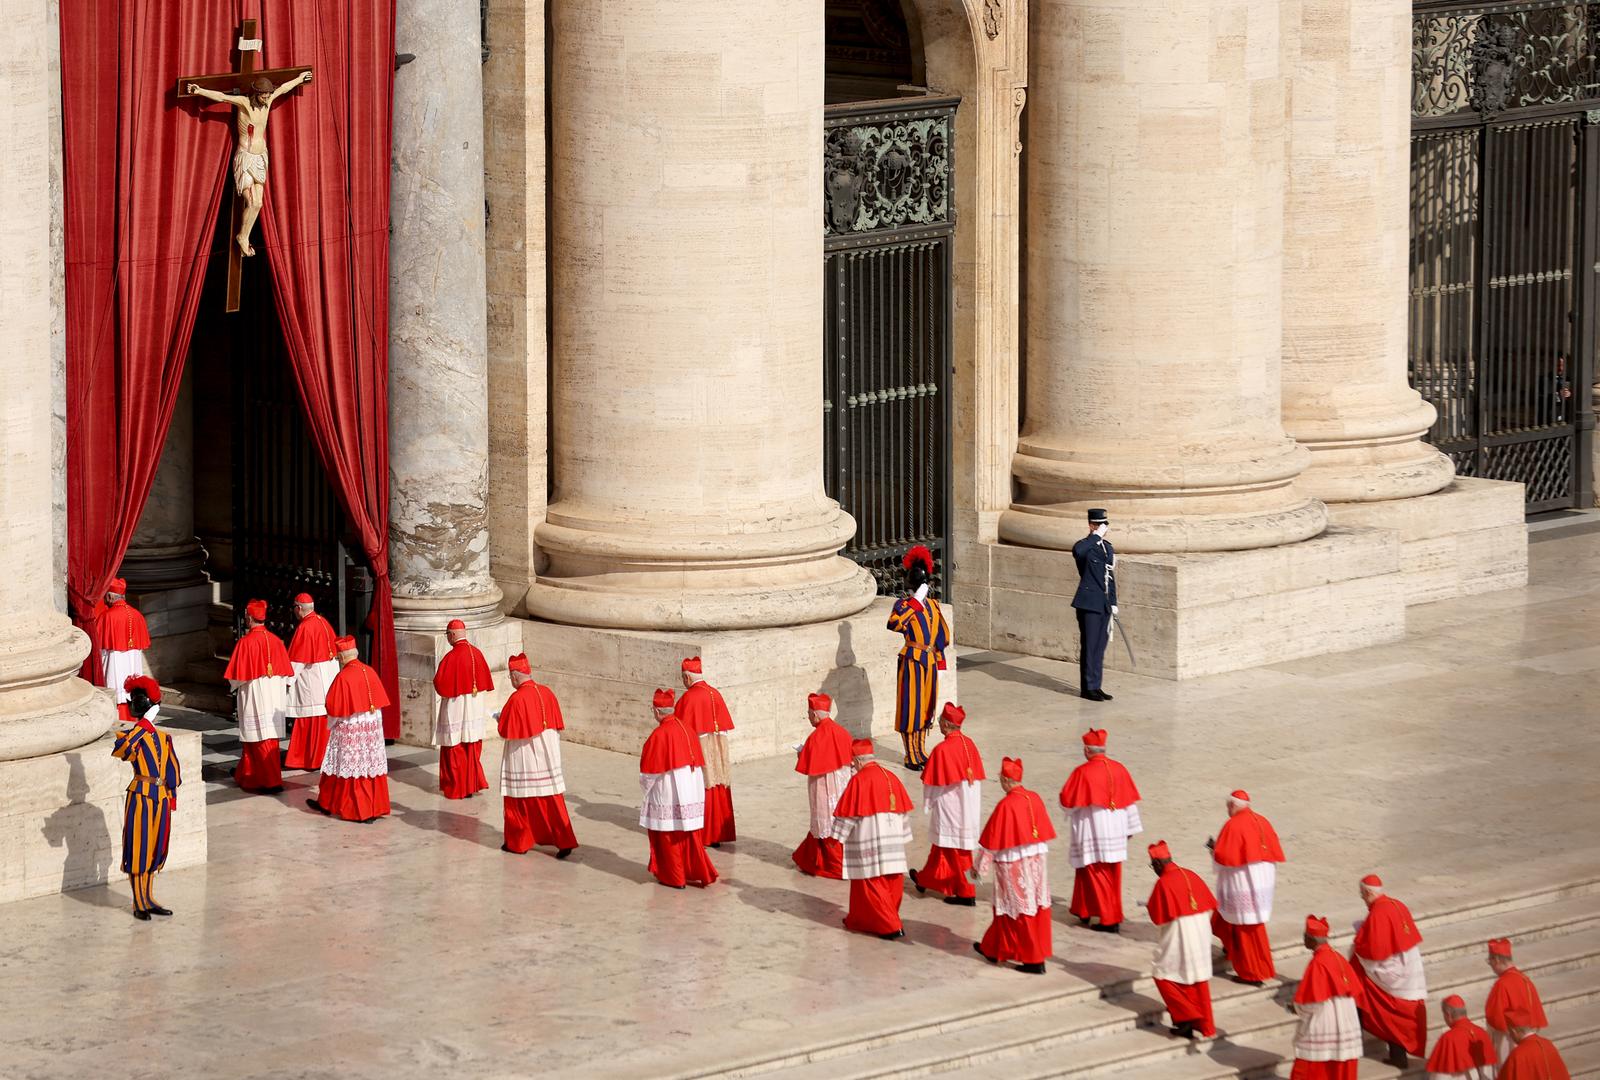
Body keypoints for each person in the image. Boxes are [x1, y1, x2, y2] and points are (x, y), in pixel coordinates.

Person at [185, 69, 312, 256]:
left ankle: (244, 236)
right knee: (251, 200)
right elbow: (221, 97)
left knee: (258, 203)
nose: (267, 97)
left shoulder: (268, 102)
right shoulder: (244, 103)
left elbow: (284, 88)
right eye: (264, 94)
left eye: (268, 93)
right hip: (246, 158)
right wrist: (199, 91)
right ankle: (242, 238)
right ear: (256, 93)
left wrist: (300, 78)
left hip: (261, 157)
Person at [971, 757, 1054, 974]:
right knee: (1018, 909)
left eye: (1001, 779)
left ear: (1007, 781)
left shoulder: (1006, 805)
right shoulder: (1034, 798)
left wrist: (978, 869)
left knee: (1019, 911)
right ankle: (994, 948)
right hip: (1036, 863)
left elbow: (991, 842)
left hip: (1013, 865)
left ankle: (1034, 960)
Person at [1058, 727, 1142, 933]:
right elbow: (1130, 801)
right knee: (1108, 876)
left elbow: (1068, 801)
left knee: (1096, 874)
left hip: (1094, 830)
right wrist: (1130, 827)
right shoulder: (1120, 769)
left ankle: (1109, 919)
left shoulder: (1082, 772)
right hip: (1117, 829)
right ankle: (1083, 910)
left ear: (1087, 750)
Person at [112, 676, 180, 921]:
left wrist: (171, 797)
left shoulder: (164, 738)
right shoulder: (132, 736)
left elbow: (172, 771)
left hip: (160, 798)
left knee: (155, 848)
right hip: (141, 795)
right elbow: (123, 752)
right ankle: (138, 901)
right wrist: (142, 726)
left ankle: (149, 897)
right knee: (139, 847)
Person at [831, 738, 914, 940]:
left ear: (858, 761)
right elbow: (903, 810)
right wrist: (904, 835)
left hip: (870, 840)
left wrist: (836, 837)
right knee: (892, 882)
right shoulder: (892, 777)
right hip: (893, 840)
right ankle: (861, 920)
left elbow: (847, 814)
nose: (852, 766)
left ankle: (891, 926)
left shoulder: (859, 780)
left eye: (853, 763)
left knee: (872, 884)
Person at [496, 653, 576, 858]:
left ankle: (518, 842)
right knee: (551, 799)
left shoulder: (517, 698)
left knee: (518, 799)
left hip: (525, 756)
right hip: (548, 755)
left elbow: (505, 729)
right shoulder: (547, 692)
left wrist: (499, 718)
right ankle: (564, 841)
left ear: (514, 676)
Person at [639, 688, 718, 889]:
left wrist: (645, 789)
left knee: (667, 833)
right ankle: (698, 872)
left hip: (669, 790)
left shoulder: (659, 734)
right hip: (691, 789)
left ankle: (674, 877)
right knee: (688, 834)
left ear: (657, 712)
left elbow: (649, 771)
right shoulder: (687, 729)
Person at [307, 636, 391, 823]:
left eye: (338, 659)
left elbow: (333, 706)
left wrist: (332, 723)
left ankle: (357, 810)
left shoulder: (344, 676)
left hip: (351, 729)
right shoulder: (369, 671)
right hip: (371, 729)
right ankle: (373, 808)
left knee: (349, 765)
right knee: (368, 765)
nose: (338, 662)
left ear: (343, 657)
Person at [1207, 788, 1285, 985]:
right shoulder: (1262, 821)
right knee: (1224, 919)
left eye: (1227, 806)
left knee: (1246, 930)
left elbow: (1224, 858)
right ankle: (1230, 948)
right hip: (1262, 884)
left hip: (1242, 884)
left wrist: (1213, 850)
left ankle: (1252, 973)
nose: (1227, 809)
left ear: (1233, 805)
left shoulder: (1233, 825)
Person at [908, 702, 984, 906]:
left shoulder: (943, 749)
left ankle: (967, 892)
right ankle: (925, 880)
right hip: (968, 808)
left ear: (947, 724)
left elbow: (933, 783)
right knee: (941, 849)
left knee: (958, 854)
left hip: (951, 809)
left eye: (940, 721)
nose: (939, 724)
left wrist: (928, 802)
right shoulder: (970, 744)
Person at [1351, 873, 1428, 1068]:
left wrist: (1358, 941)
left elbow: (1374, 951)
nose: (1361, 897)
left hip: (1390, 974)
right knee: (1394, 1016)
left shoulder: (1378, 913)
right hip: (1407, 967)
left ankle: (1350, 1037)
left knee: (1360, 990)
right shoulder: (1396, 904)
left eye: (1362, 893)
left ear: (1368, 892)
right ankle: (1398, 1055)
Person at [886, 544, 950, 770]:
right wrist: (915, 602)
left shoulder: (932, 606)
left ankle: (921, 750)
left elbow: (941, 636)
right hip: (912, 661)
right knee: (910, 708)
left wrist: (941, 664)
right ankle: (910, 754)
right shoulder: (904, 605)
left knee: (926, 708)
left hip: (930, 661)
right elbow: (894, 623)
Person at [1146, 841, 1219, 1040]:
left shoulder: (1164, 882)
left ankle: (1187, 1016)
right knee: (1195, 977)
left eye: (1153, 866)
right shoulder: (1191, 874)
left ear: (1158, 864)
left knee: (1162, 972)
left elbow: (1156, 917)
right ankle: (1194, 1024)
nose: (1154, 870)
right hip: (1200, 932)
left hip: (1180, 935)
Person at [224, 599, 292, 795]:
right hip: (274, 697)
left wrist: (233, 685)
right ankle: (246, 774)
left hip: (255, 697)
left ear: (249, 618)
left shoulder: (245, 643)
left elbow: (237, 678)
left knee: (258, 741)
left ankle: (268, 781)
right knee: (268, 739)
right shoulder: (277, 641)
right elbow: (287, 675)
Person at [1288, 915, 1366, 1080]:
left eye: (1305, 936)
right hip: (1345, 1019)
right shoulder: (1337, 957)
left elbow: (1312, 1001)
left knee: (1310, 1067)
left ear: (1311, 940)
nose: (1303, 939)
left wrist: (1295, 1008)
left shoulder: (1318, 963)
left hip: (1325, 1020)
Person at [674, 656, 736, 846]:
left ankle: (704, 834)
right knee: (718, 785)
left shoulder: (689, 698)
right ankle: (718, 833)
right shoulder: (715, 693)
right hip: (718, 749)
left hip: (700, 750)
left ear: (687, 677)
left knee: (702, 787)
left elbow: (678, 730)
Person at [792, 692, 852, 878]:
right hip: (842, 785)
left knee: (824, 821)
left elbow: (809, 763)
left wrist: (801, 754)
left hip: (823, 787)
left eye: (809, 714)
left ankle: (831, 866)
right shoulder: (842, 732)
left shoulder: (816, 737)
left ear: (816, 714)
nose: (809, 717)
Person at [432, 619, 492, 800]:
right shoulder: (477, 653)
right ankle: (472, 785)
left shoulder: (451, 657)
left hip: (455, 708)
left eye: (447, 635)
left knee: (455, 744)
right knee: (471, 745)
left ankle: (457, 788)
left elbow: (440, 684)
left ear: (451, 635)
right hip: (474, 708)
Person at [283, 593, 338, 771]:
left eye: (294, 608)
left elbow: (297, 660)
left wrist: (286, 681)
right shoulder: (324, 622)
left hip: (312, 681)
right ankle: (321, 757)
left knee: (308, 719)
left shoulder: (305, 627)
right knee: (321, 720)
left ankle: (305, 759)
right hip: (326, 678)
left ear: (299, 608)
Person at [1071, 508, 1117, 701]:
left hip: (1104, 604)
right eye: (1098, 525)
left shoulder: (1107, 547)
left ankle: (1096, 686)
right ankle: (1087, 687)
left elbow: (1110, 577)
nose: (1103, 529)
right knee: (1089, 646)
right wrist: (1095, 536)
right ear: (1091, 525)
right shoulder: (1084, 546)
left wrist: (1113, 603)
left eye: (1104, 525)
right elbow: (1077, 552)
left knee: (1099, 647)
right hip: (1088, 603)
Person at [93, 578, 149, 722]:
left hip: (114, 660)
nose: (105, 600)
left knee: (114, 683)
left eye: (106, 596)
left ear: (111, 596)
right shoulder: (137, 615)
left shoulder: (107, 616)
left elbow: (97, 645)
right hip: (132, 661)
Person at [1425, 994, 1497, 1080]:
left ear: (1448, 1015)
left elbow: (1439, 1076)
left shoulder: (1448, 1038)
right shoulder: (1482, 1032)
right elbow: (1490, 1071)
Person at [1498, 1010, 1571, 1079]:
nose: (1510, 1037)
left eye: (1510, 1032)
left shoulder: (1517, 1055)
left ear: (1514, 1031)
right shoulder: (1547, 1044)